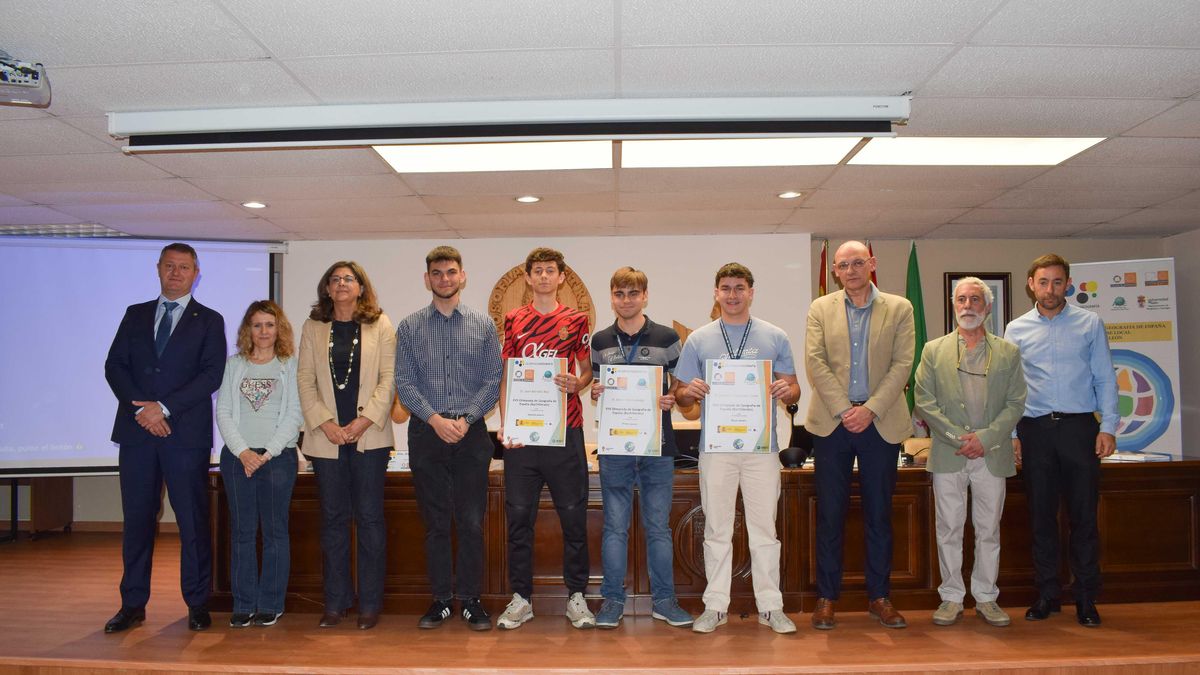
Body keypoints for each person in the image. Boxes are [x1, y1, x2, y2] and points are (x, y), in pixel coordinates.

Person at [103, 242, 226, 633]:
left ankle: (196, 603)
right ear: (158, 269)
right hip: (138, 434)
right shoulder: (134, 315)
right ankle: (132, 604)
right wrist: (142, 411)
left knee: (192, 520)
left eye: (184, 267)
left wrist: (164, 408)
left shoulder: (209, 320)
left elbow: (211, 374)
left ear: (196, 273)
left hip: (184, 436)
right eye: (170, 266)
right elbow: (114, 365)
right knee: (137, 521)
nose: (176, 273)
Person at [673, 262, 801, 635]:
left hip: (762, 448)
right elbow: (680, 395)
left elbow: (794, 389)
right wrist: (688, 392)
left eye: (739, 288)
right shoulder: (699, 339)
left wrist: (785, 390)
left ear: (751, 292)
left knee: (765, 530)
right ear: (715, 293)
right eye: (725, 288)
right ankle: (715, 606)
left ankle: (770, 606)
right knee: (716, 528)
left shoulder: (774, 336)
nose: (732, 294)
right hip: (716, 448)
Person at [804, 239, 915, 630]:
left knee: (879, 515)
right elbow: (815, 362)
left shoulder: (900, 308)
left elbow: (903, 364)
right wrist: (845, 409)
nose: (850, 271)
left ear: (871, 264)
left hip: (879, 423)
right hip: (832, 424)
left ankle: (880, 597)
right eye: (842, 265)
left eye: (857, 263)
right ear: (834, 271)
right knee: (830, 515)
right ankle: (826, 598)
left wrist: (869, 409)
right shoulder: (821, 308)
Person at [1004, 254, 1118, 628]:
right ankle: (1047, 594)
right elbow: (1010, 387)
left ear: (1068, 284)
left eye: (1057, 282)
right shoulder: (1015, 329)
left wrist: (1109, 427)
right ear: (1030, 284)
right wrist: (1012, 435)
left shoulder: (1090, 324)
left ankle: (1086, 598)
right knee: (1041, 518)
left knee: (1084, 518)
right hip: (1035, 431)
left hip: (1079, 429)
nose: (1050, 289)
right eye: (1043, 282)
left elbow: (1104, 377)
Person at [395, 246, 502, 631]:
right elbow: (404, 383)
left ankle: (471, 600)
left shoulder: (483, 324)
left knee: (471, 522)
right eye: (437, 273)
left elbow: (493, 380)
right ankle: (441, 599)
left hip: (471, 434)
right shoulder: (408, 327)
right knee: (436, 523)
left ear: (463, 277)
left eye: (451, 272)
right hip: (427, 432)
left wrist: (467, 418)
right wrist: (436, 419)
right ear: (427, 279)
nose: (444, 278)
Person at [914, 277, 1026, 628]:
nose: (967, 306)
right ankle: (950, 597)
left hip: (991, 454)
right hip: (950, 454)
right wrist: (956, 437)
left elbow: (1016, 402)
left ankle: (986, 597)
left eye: (975, 299)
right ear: (953, 304)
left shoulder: (1008, 352)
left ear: (987, 306)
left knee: (988, 528)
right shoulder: (934, 350)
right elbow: (924, 401)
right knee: (948, 527)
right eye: (961, 299)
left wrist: (986, 438)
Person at [495, 247, 595, 630]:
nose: (543, 277)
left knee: (573, 519)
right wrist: (506, 423)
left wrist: (578, 383)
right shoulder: (513, 319)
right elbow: (507, 376)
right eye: (536, 271)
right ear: (527, 277)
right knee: (519, 520)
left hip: (565, 432)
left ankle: (576, 597)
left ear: (561, 277)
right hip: (523, 438)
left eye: (549, 271)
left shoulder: (576, 319)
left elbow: (586, 372)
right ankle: (521, 598)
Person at [589, 267, 693, 629]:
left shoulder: (667, 337)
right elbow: (597, 387)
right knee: (614, 529)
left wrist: (672, 397)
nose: (627, 300)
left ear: (645, 295)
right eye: (620, 293)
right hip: (615, 448)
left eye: (633, 293)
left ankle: (664, 601)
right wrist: (595, 392)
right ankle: (612, 602)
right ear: (612, 296)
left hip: (658, 447)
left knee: (658, 528)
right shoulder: (600, 340)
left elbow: (682, 389)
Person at [297, 261, 396, 630]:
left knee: (370, 520)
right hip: (326, 440)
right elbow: (305, 379)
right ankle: (335, 602)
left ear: (360, 287)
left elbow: (388, 380)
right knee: (333, 521)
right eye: (335, 280)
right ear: (326, 288)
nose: (341, 284)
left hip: (369, 438)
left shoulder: (380, 324)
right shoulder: (313, 327)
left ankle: (370, 604)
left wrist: (363, 421)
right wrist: (326, 423)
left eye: (348, 279)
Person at [216, 300, 302, 628]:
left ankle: (270, 603)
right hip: (238, 458)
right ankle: (244, 603)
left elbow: (295, 414)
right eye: (257, 325)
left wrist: (266, 454)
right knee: (242, 531)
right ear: (247, 330)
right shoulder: (234, 364)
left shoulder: (289, 365)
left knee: (275, 531)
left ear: (278, 328)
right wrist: (243, 452)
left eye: (269, 324)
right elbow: (223, 411)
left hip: (277, 458)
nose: (263, 331)